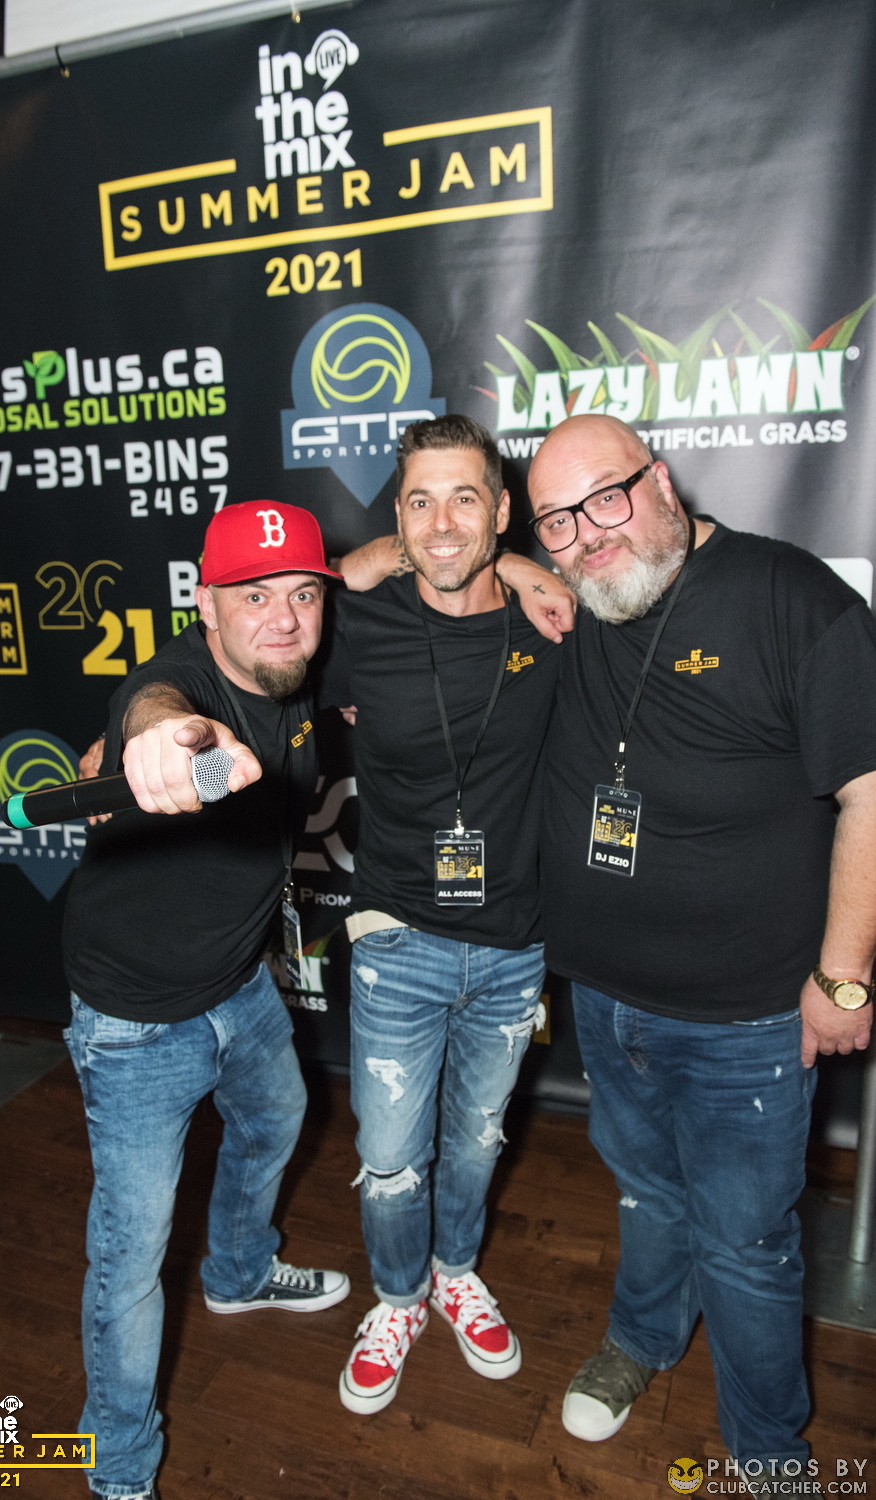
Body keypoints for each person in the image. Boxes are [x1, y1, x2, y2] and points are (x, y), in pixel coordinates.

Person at [521, 413, 876, 1472]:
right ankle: (641, 1338)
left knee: (745, 1245)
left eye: (605, 498)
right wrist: (516, 563)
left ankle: (767, 1456)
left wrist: (843, 979)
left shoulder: (791, 599)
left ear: (662, 482)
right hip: (604, 998)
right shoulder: (575, 600)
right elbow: (414, 561)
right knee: (646, 1195)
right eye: (554, 523)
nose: (587, 536)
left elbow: (869, 797)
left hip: (745, 1021)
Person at [62, 501, 349, 1500]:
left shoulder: (299, 671)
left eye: (303, 594)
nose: (284, 619)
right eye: (253, 597)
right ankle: (118, 1467)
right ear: (204, 602)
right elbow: (155, 714)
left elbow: (376, 569)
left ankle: (236, 1272)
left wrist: (517, 570)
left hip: (238, 986)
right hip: (135, 1022)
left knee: (277, 1119)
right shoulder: (177, 685)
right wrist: (155, 741)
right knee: (130, 1254)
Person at [326, 414, 576, 1414]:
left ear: (502, 510)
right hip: (396, 938)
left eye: (463, 498)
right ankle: (397, 1298)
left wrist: (521, 570)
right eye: (418, 502)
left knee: (475, 1141)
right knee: (391, 1160)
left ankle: (455, 1272)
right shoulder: (358, 622)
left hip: (514, 945)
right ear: (396, 516)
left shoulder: (553, 624)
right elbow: (253, 636)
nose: (439, 524)